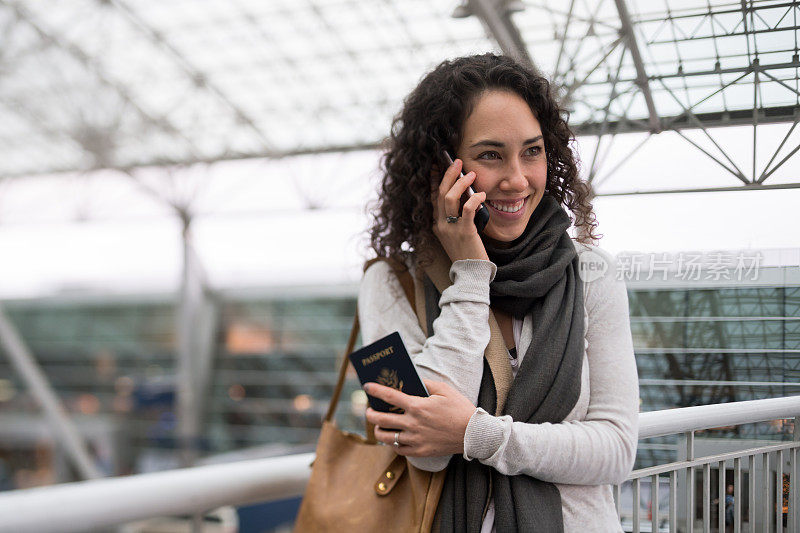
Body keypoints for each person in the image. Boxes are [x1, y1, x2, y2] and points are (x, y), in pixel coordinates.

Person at [357, 53, 639, 532]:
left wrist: (474, 433)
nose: (517, 179)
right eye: (490, 155)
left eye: (532, 151)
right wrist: (469, 275)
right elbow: (422, 454)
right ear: (440, 169)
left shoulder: (591, 273)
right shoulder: (387, 284)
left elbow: (615, 450)